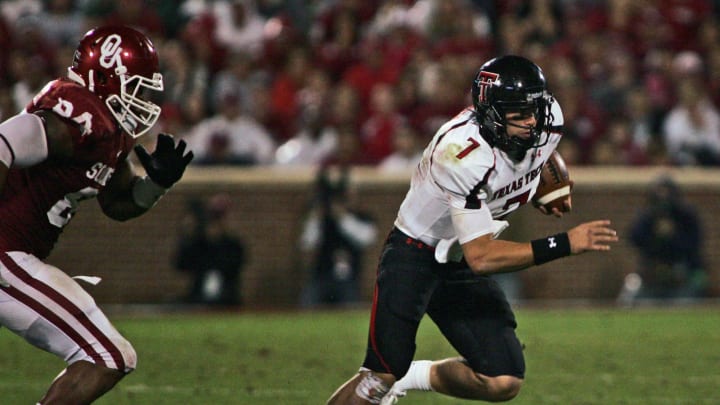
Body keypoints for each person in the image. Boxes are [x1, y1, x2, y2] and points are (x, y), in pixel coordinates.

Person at [326, 55, 618, 405]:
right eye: (519, 114)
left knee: (503, 379)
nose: (532, 122)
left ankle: (411, 378)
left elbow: (537, 158)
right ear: (491, 114)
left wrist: (542, 187)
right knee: (379, 375)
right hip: (416, 252)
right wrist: (564, 243)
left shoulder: (548, 119)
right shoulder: (461, 154)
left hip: (458, 255)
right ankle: (391, 380)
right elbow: (482, 257)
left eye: (534, 110)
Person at [0, 25, 193, 404]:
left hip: (16, 256)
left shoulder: (110, 132)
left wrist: (156, 184)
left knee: (108, 355)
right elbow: (4, 141)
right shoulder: (78, 114)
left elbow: (118, 204)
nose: (144, 99)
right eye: (136, 86)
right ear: (104, 77)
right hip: (6, 253)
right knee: (106, 355)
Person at [619, 175, 708, 305]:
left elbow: (694, 244)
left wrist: (672, 237)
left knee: (688, 302)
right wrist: (656, 235)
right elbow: (634, 238)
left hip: (681, 275)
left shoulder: (686, 216)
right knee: (629, 297)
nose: (664, 201)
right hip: (651, 275)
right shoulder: (647, 216)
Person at [299, 166, 377, 308]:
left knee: (351, 309)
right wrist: (317, 216)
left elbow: (367, 239)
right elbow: (307, 243)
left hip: (349, 278)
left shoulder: (361, 217)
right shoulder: (320, 217)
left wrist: (342, 217)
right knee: (307, 307)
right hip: (321, 276)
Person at [174, 193, 246, 306]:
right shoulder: (199, 243)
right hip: (197, 298)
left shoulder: (233, 245)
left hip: (227, 299)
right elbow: (180, 265)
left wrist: (218, 241)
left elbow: (233, 267)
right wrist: (188, 236)